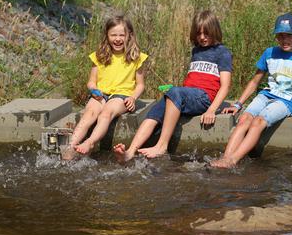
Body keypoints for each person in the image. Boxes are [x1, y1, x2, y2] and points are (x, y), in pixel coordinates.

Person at [210, 12, 292, 168]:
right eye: (280, 36)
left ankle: (232, 161)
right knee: (244, 119)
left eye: (289, 35)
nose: (284, 40)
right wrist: (237, 104)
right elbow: (254, 82)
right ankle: (226, 157)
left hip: (286, 101)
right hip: (266, 95)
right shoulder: (269, 53)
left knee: (258, 121)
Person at [113, 10, 232, 163]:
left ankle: (162, 146)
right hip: (188, 96)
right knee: (157, 107)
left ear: (215, 31)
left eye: (206, 33)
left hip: (204, 98)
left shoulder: (222, 52)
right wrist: (177, 93)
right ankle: (130, 151)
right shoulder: (196, 51)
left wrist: (211, 110)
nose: (202, 37)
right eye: (199, 33)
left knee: (175, 92)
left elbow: (225, 86)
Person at [61, 15, 148, 160]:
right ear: (107, 36)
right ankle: (71, 146)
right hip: (101, 94)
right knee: (89, 113)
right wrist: (93, 90)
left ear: (129, 36)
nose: (118, 39)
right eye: (113, 35)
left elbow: (140, 85)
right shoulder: (100, 55)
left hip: (122, 95)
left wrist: (133, 98)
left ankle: (90, 142)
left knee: (105, 113)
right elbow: (91, 82)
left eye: (122, 35)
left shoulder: (136, 57)